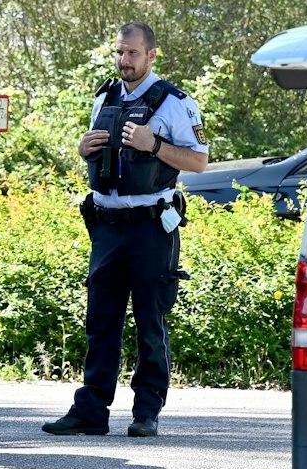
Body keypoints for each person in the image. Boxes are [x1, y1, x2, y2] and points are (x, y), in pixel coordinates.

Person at [44, 22, 208, 439]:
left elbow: (199, 162)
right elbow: (94, 153)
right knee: (100, 320)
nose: (124, 61)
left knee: (150, 320)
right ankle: (91, 411)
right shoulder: (104, 97)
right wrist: (82, 149)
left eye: (133, 53)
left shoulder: (175, 102)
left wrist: (154, 145)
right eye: (119, 52)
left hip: (152, 226)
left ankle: (146, 411)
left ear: (152, 55)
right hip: (107, 224)